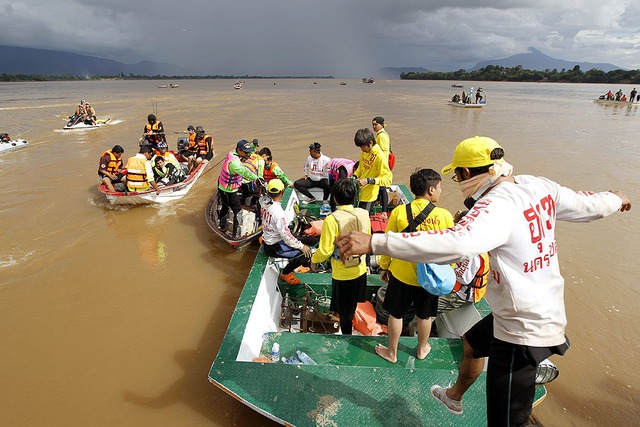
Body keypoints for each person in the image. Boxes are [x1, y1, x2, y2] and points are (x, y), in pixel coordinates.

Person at [335, 136, 631, 426]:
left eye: (458, 177)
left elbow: (456, 242)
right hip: (535, 306)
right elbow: (588, 204)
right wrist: (617, 198)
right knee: (473, 342)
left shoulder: (495, 205)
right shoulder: (539, 186)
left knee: (507, 421)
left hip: (521, 328)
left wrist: (376, 242)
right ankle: (454, 396)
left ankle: (532, 368)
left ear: (464, 173)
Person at [375, 168, 454, 363]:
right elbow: (451, 249)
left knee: (395, 314)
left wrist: (385, 267)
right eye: (440, 187)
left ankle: (392, 353)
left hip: (401, 274)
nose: (441, 191)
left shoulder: (400, 212)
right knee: (425, 316)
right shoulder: (444, 216)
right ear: (431, 190)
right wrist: (448, 272)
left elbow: (388, 244)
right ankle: (421, 349)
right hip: (428, 278)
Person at [310, 179, 370, 335]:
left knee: (344, 313)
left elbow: (325, 250)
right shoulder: (364, 214)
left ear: (335, 198)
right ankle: (351, 320)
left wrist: (313, 260)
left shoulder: (331, 220)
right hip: (361, 270)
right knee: (352, 304)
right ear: (354, 196)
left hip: (343, 275)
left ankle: (347, 337)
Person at [261, 178, 312, 285]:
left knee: (297, 239)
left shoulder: (263, 202)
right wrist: (302, 247)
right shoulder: (278, 212)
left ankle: (294, 263)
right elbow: (285, 235)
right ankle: (285, 273)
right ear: (282, 192)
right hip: (274, 246)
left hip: (268, 239)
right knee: (304, 255)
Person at [218, 140, 260, 238]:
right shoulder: (234, 163)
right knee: (238, 211)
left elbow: (249, 151)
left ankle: (222, 226)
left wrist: (253, 145)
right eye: (246, 152)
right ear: (239, 150)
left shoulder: (233, 152)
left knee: (225, 206)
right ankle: (235, 236)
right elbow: (245, 172)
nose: (248, 154)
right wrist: (256, 179)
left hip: (221, 185)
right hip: (229, 190)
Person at [352, 128, 392, 214]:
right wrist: (354, 176)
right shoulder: (364, 151)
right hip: (359, 193)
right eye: (360, 147)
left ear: (370, 142)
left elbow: (387, 179)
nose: (362, 149)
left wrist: (368, 181)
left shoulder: (379, 157)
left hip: (369, 196)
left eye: (363, 147)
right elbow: (361, 168)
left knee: (363, 222)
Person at [372, 116, 390, 214]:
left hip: (382, 165)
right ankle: (378, 203)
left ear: (381, 125)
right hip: (381, 164)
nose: (374, 126)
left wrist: (380, 166)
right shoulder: (381, 134)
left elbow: (384, 152)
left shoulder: (382, 136)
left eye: (376, 124)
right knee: (379, 186)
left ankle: (384, 211)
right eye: (373, 125)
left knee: (382, 188)